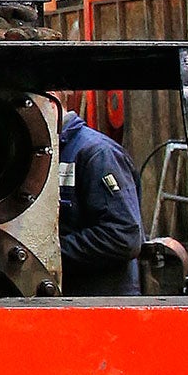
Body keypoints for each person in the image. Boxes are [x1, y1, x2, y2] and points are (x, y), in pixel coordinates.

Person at [58, 110, 144, 295]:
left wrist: (49, 253)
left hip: (102, 304)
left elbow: (122, 237)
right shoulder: (44, 153)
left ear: (51, 97)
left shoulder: (97, 153)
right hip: (64, 299)